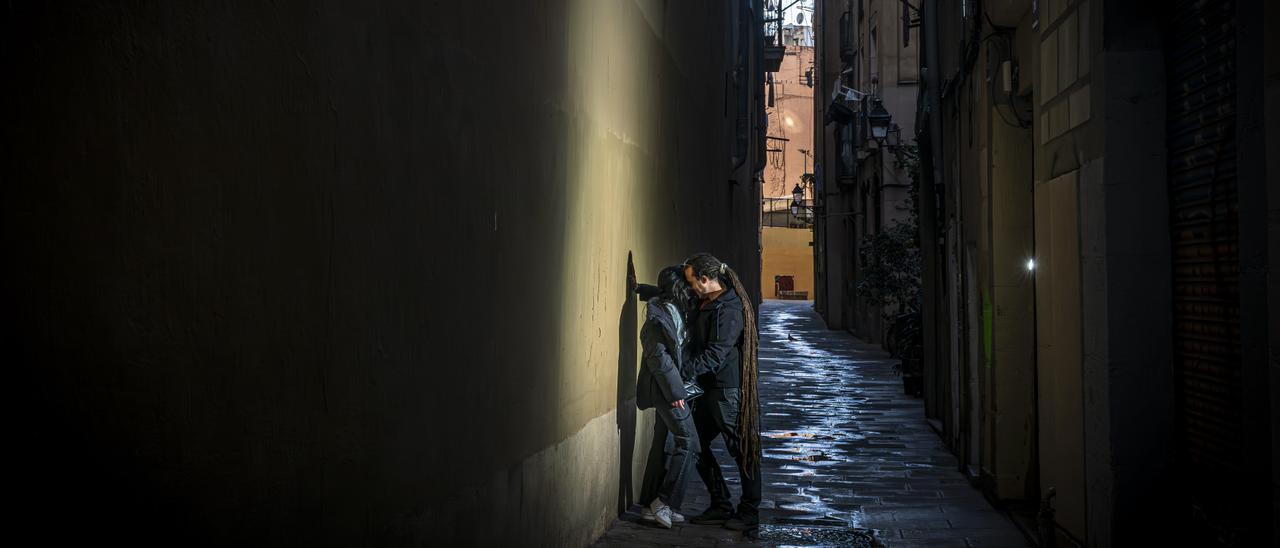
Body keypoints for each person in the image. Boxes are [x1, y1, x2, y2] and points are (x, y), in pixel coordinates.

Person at [681, 253, 761, 537]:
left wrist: (683, 371)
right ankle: (721, 503)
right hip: (708, 389)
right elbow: (678, 293)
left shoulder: (730, 310)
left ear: (705, 279)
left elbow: (716, 353)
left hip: (726, 391)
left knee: (743, 451)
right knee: (695, 443)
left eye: (693, 282)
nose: (690, 287)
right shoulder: (706, 301)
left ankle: (750, 512)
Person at [635, 266, 701, 529]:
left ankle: (653, 505)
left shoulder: (674, 308)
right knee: (689, 443)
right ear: (677, 288)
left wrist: (639, 288)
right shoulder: (657, 318)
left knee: (666, 444)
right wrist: (675, 393)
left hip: (673, 389)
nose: (690, 288)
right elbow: (659, 360)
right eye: (686, 285)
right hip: (667, 391)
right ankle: (663, 502)